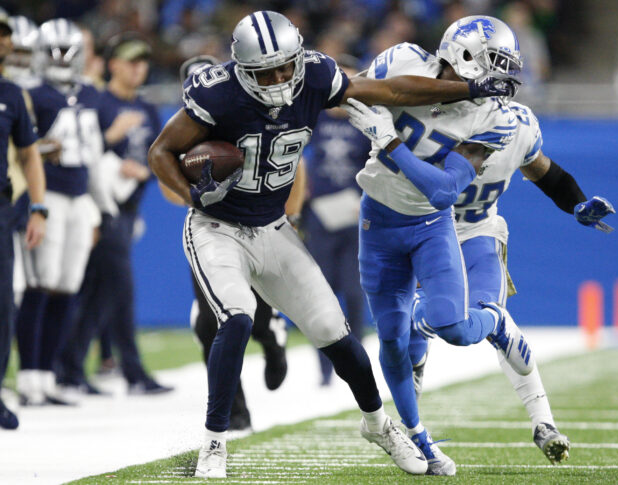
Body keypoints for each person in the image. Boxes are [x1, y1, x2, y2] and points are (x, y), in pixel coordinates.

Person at [148, 10, 513, 479]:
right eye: (267, 71)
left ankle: (379, 425)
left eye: (286, 66)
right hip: (216, 227)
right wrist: (191, 194)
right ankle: (214, 443)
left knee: (334, 332)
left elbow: (390, 91)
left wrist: (470, 88)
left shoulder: (316, 74)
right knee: (236, 317)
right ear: (243, 69)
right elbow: (161, 150)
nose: (280, 78)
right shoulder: (217, 94)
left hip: (274, 226)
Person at [348, 16, 614, 474]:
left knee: (457, 320)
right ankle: (416, 435)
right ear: (465, 55)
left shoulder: (502, 121)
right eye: (496, 63)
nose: (505, 77)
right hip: (394, 217)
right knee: (399, 339)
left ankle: (541, 416)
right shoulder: (404, 62)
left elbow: (545, 173)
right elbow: (361, 93)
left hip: (468, 226)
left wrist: (574, 205)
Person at [173, 54, 291, 431]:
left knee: (251, 319)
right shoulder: (183, 129)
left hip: (259, 225)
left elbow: (295, 169)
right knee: (212, 324)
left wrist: (293, 215)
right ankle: (235, 413)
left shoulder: (248, 114)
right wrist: (195, 190)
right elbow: (165, 183)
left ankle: (270, 336)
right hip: (210, 229)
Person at [56, 33, 172, 396]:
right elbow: (80, 151)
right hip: (98, 207)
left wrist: (146, 172)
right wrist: (110, 136)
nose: (138, 68)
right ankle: (132, 372)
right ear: (113, 65)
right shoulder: (96, 102)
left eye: (142, 62)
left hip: (128, 209)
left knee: (99, 293)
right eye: (130, 61)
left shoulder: (149, 108)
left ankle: (69, 368)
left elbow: (159, 157)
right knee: (118, 289)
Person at [14, 18, 103, 407]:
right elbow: (23, 153)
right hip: (47, 194)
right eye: (53, 51)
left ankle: (47, 376)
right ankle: (29, 375)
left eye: (67, 51)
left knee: (67, 286)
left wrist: (98, 207)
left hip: (80, 197)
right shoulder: (31, 94)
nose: (61, 59)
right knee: (40, 283)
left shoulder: (90, 94)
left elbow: (95, 156)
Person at [300, 53, 370, 387]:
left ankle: (355, 363)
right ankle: (324, 368)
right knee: (321, 295)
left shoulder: (368, 123)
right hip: (320, 218)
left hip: (356, 218)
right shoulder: (314, 117)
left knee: (355, 295)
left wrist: (369, 200)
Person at [0, 8, 46, 429]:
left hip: (2, 208)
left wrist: (38, 206)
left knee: (4, 303)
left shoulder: (12, 94)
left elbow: (30, 156)